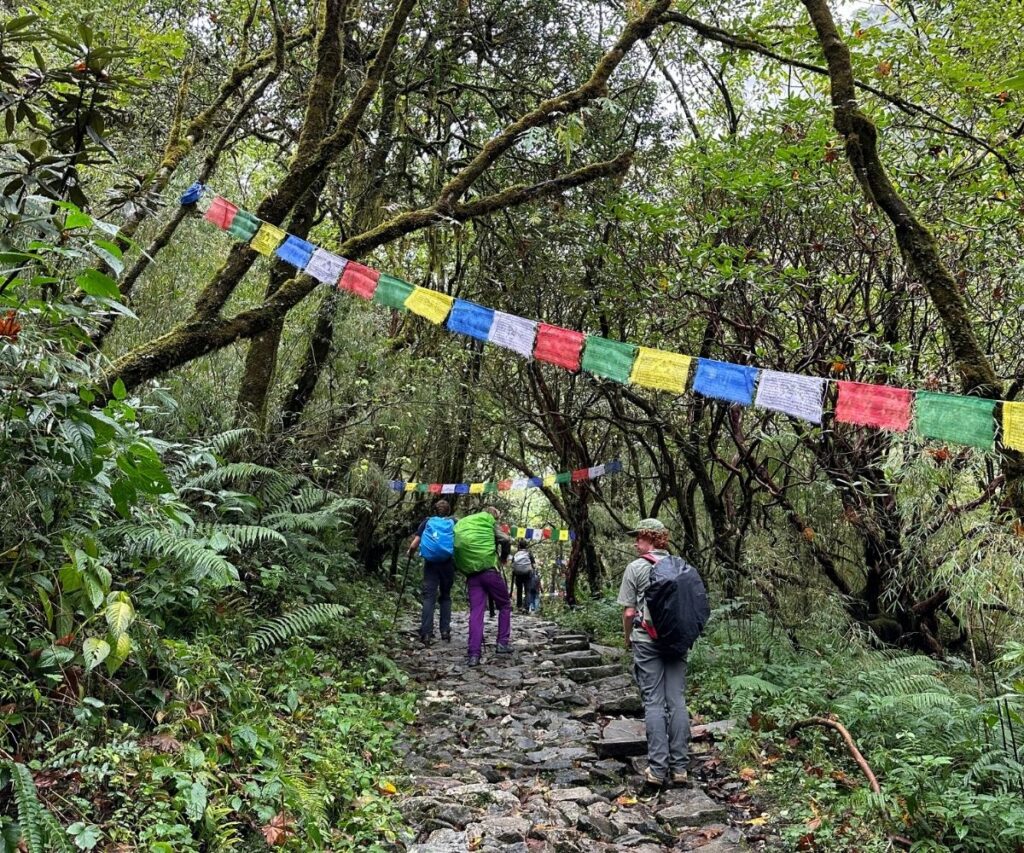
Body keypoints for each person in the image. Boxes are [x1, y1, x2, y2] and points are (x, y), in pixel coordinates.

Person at [616, 518, 690, 787]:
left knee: (654, 703)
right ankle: (680, 768)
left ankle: (657, 770)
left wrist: (627, 638)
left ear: (651, 538)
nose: (636, 542)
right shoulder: (681, 566)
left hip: (646, 641)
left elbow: (628, 611)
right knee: (677, 701)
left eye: (639, 537)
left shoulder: (635, 568)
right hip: (677, 642)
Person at [454, 506, 512, 666]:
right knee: (505, 605)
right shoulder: (489, 522)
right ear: (494, 515)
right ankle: (502, 643)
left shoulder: (466, 523)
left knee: (476, 612)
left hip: (472, 575)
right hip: (489, 571)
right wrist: (503, 558)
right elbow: (505, 540)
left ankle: (473, 654)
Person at [406, 500, 455, 645]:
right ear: (448, 511)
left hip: (431, 564)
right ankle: (445, 631)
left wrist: (410, 553)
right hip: (447, 564)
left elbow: (415, 543)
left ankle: (426, 633)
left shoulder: (427, 522)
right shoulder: (453, 523)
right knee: (445, 596)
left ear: (435, 510)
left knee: (429, 598)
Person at [510, 539, 535, 611]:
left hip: (518, 574)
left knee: (519, 590)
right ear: (526, 546)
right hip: (527, 573)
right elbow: (533, 565)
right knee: (527, 590)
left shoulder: (516, 554)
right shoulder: (529, 553)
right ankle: (526, 607)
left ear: (519, 546)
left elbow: (512, 565)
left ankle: (519, 606)